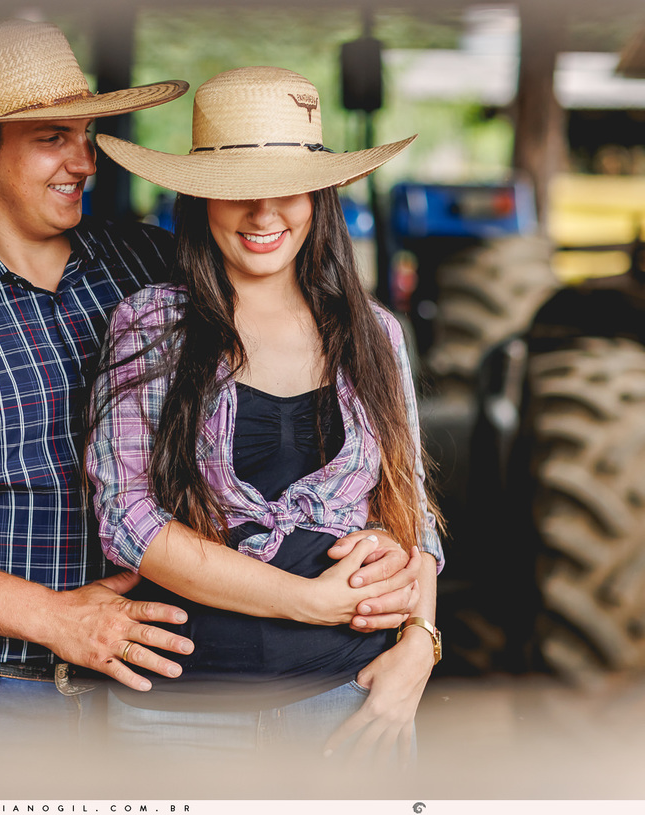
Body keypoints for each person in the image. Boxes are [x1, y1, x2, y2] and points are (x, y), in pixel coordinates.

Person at [0, 21, 417, 742]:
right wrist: (56, 617)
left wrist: (415, 624)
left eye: (86, 136)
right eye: (53, 138)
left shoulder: (146, 265)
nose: (84, 161)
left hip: (151, 681)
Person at [86, 66, 445, 765]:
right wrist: (307, 600)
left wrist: (418, 645)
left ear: (320, 196)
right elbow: (127, 520)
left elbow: (411, 508)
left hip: (351, 700)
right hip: (181, 713)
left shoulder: (374, 333)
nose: (263, 213)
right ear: (200, 199)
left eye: (287, 187)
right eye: (237, 191)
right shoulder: (152, 325)